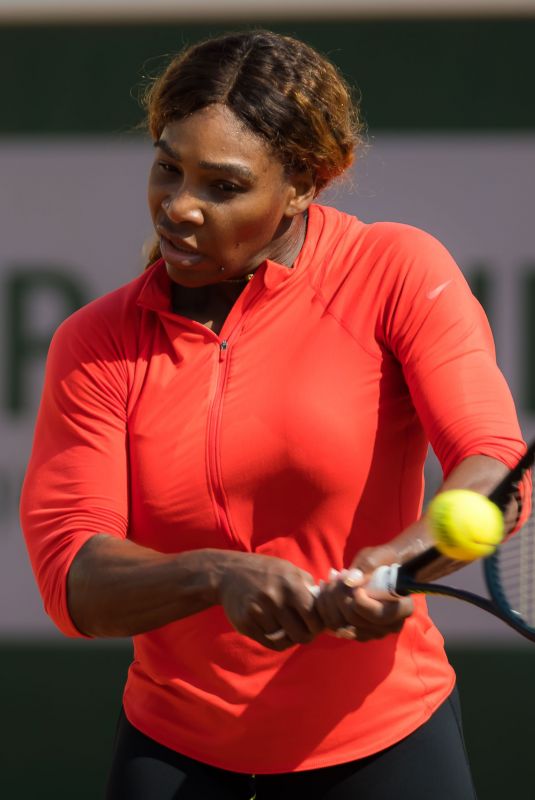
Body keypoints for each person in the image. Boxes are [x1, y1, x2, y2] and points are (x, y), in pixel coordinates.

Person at [20, 29, 526, 800]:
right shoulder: (94, 342)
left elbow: (491, 463)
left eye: (222, 186)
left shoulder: (395, 271)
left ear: (304, 185)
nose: (180, 207)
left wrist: (401, 562)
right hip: (175, 751)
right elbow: (74, 582)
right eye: (167, 168)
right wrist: (216, 575)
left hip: (386, 742)